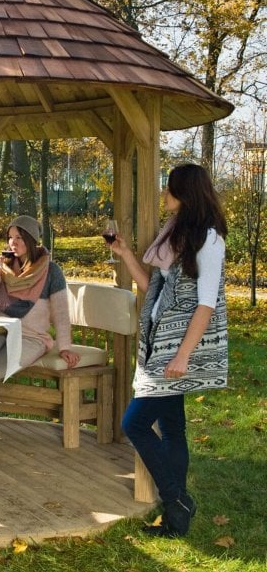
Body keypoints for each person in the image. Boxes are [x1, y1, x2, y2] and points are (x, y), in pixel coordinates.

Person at [110, 163, 228, 538]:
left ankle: (176, 498)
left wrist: (183, 356)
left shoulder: (209, 239)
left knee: (135, 423)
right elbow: (154, 288)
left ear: (185, 193)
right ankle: (177, 515)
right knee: (173, 427)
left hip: (177, 346)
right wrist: (126, 253)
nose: (164, 195)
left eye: (169, 189)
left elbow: (206, 303)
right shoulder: (175, 234)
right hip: (158, 338)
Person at [0, 215, 79, 444]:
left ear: (31, 239)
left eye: (18, 237)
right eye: (10, 237)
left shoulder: (51, 271)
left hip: (32, 337)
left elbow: (60, 313)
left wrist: (65, 347)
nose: (12, 243)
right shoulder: (5, 268)